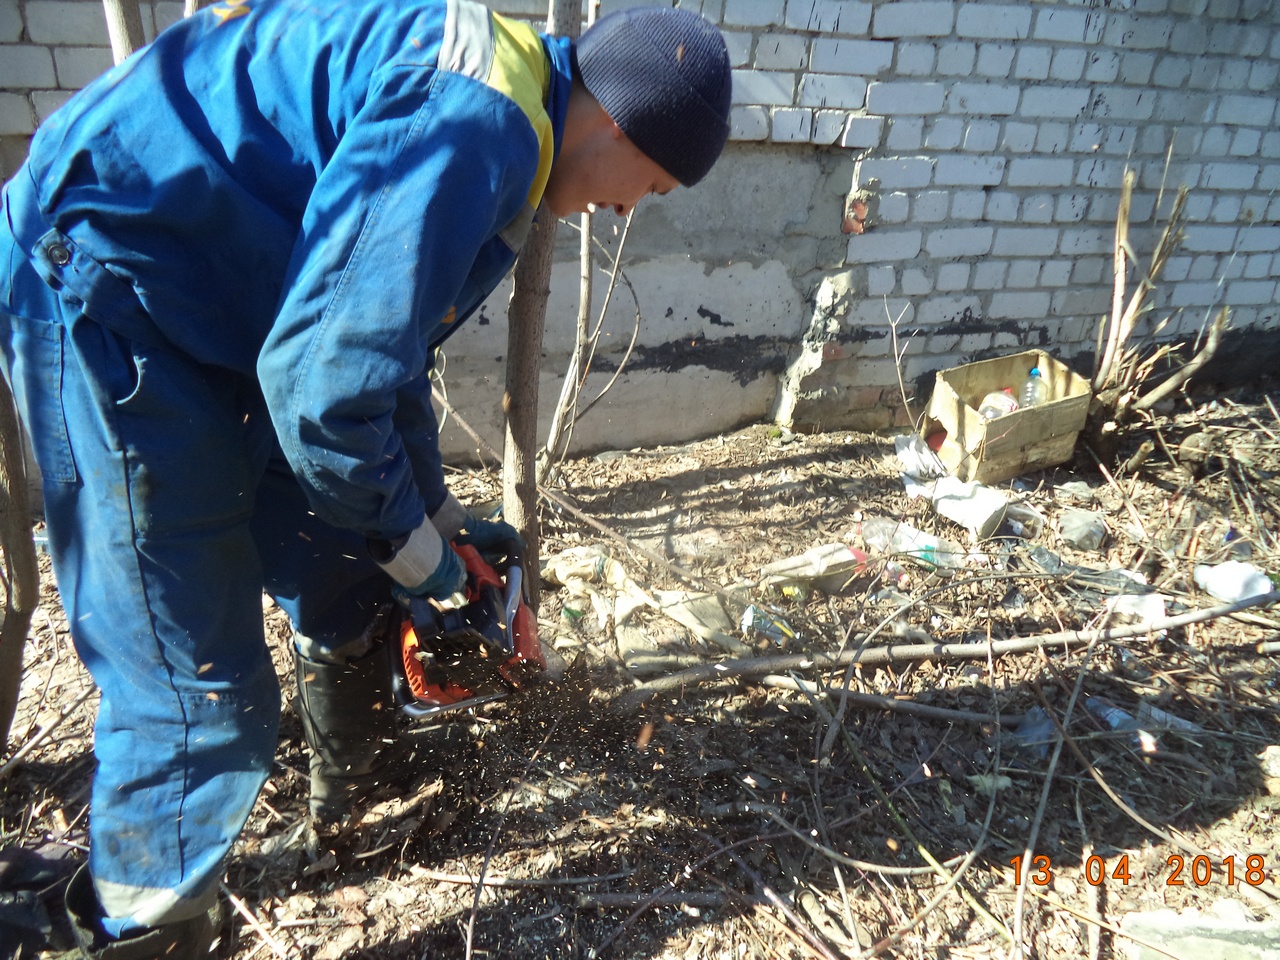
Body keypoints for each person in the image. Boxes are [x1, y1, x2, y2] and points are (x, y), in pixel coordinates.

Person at [0, 0, 731, 954]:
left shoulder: (514, 107)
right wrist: (424, 564)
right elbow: (326, 393)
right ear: (620, 119)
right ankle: (137, 927)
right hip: (108, 282)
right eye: (652, 183)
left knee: (341, 555)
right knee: (196, 681)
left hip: (223, 306)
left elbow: (381, 362)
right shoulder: (476, 127)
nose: (630, 207)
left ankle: (347, 802)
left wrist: (436, 519)